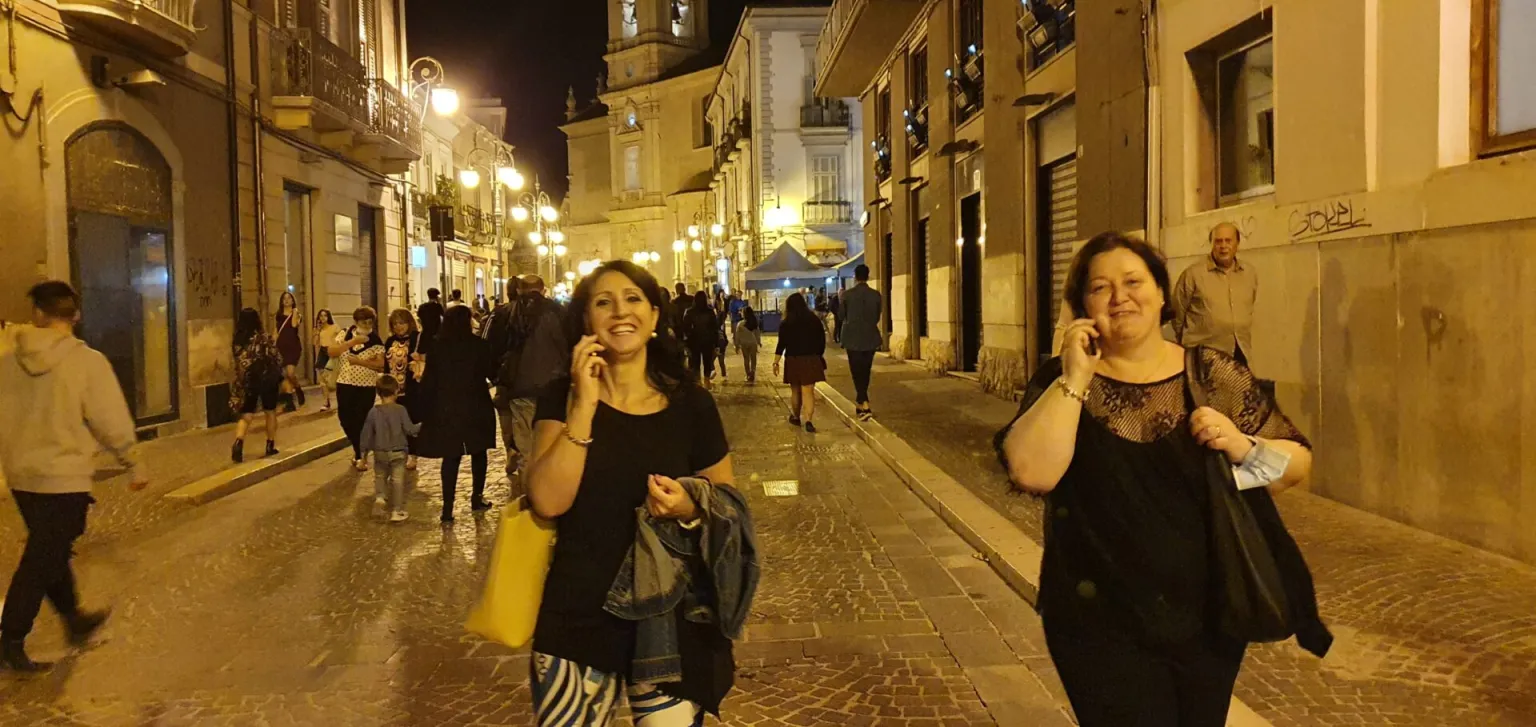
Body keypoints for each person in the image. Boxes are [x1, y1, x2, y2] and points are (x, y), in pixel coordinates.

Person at [992, 232, 1321, 726]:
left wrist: (1241, 444)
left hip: (1208, 616)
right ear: (1082, 305)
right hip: (1097, 622)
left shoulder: (1211, 373)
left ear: (1162, 293)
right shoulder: (1059, 381)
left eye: (1132, 281)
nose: (1119, 296)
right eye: (1100, 287)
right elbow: (1032, 472)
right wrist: (1076, 378)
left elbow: (1295, 466)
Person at [525, 260, 754, 724]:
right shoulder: (561, 398)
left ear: (653, 317)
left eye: (632, 300)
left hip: (672, 620)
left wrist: (689, 503)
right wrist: (584, 407)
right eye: (603, 302)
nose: (619, 312)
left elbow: (726, 500)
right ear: (586, 320)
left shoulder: (692, 404)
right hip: (578, 615)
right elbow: (548, 501)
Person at [0, 281, 145, 672]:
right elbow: (109, 418)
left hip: (21, 473)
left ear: (39, 314)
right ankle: (10, 637)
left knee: (49, 548)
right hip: (63, 475)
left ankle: (74, 618)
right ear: (75, 315)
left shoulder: (8, 356)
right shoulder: (86, 361)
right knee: (43, 556)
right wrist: (133, 461)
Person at [416, 305, 497, 523]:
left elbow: (430, 380)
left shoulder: (437, 346)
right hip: (476, 405)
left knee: (451, 457)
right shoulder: (479, 346)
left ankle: (447, 508)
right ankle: (476, 497)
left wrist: (423, 407)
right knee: (479, 453)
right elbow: (491, 372)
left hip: (447, 407)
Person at [485, 274, 569, 481]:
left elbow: (489, 347)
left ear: (518, 290)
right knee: (555, 442)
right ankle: (551, 493)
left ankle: (529, 495)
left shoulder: (504, 313)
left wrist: (498, 376)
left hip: (520, 387)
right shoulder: (559, 313)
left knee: (525, 446)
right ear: (543, 290)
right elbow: (569, 346)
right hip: (554, 388)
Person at [1173, 222, 1258, 366]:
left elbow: (1250, 306)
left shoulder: (1249, 274)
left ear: (1237, 244)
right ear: (1212, 244)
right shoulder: (1193, 274)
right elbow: (1177, 315)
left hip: (1240, 354)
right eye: (1218, 241)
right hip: (1203, 360)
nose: (1223, 246)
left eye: (1228, 241)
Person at [327, 307, 386, 471]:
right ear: (356, 322)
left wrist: (361, 362)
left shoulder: (375, 340)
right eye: (363, 322)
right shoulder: (345, 333)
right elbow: (332, 351)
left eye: (369, 322)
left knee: (361, 420)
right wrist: (352, 343)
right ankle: (358, 449)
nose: (367, 325)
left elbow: (381, 365)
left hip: (366, 386)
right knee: (345, 419)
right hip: (344, 383)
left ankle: (362, 455)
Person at [360, 374, 421, 524]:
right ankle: (397, 510)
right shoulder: (400, 410)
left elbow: (366, 435)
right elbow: (410, 430)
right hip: (398, 452)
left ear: (378, 393)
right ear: (396, 391)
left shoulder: (373, 412)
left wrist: (363, 457)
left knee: (380, 477)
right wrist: (422, 425)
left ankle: (380, 499)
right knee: (397, 480)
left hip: (380, 452)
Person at [229, 308, 284, 463]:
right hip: (267, 379)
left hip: (249, 379)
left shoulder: (237, 340)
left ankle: (239, 442)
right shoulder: (263, 337)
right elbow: (277, 356)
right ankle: (270, 445)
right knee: (270, 412)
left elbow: (238, 362)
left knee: (246, 414)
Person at [772, 293, 826, 433]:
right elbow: (822, 340)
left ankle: (796, 416)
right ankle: (809, 420)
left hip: (793, 359)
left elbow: (781, 344)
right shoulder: (814, 319)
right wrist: (818, 355)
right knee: (808, 391)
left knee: (795, 390)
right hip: (810, 358)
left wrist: (776, 362)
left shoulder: (786, 322)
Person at [840, 264, 883, 421]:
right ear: (868, 276)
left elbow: (841, 315)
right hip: (870, 336)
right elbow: (877, 317)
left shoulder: (847, 295)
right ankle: (861, 402)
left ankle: (863, 402)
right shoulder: (876, 295)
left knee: (856, 370)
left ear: (855, 276)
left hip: (852, 337)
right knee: (865, 369)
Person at [383, 308, 425, 470]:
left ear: (409, 323)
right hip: (393, 388)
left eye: (402, 323)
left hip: (411, 388)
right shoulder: (390, 341)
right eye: (395, 324)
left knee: (411, 421)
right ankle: (401, 451)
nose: (399, 327)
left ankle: (413, 454)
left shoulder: (415, 339)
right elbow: (386, 364)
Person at [273, 291, 306, 411]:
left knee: (290, 373)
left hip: (293, 347)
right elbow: (275, 331)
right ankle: (290, 403)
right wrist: (273, 344)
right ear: (281, 301)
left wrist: (295, 311)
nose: (286, 300)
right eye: (284, 299)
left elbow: (293, 325)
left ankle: (298, 389)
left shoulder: (297, 314)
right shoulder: (278, 315)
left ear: (292, 301)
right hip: (281, 347)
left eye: (289, 298)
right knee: (285, 375)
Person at [682, 291, 718, 385]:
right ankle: (706, 380)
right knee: (707, 360)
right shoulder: (710, 311)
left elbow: (685, 328)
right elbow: (714, 328)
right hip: (707, 340)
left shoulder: (689, 312)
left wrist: (687, 340)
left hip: (694, 340)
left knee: (695, 361)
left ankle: (698, 381)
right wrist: (716, 342)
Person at [313, 309, 340, 410]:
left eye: (325, 315)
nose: (323, 318)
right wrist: (317, 331)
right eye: (321, 316)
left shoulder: (335, 327)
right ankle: (326, 401)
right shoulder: (318, 329)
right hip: (323, 351)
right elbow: (315, 343)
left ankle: (339, 399)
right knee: (322, 376)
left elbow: (341, 338)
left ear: (328, 317)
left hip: (332, 351)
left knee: (334, 377)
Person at [735, 307, 761, 384]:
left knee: (746, 359)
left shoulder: (740, 324)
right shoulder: (754, 323)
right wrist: (759, 342)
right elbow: (757, 334)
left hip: (744, 344)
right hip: (753, 343)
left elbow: (737, 336)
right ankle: (753, 371)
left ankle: (748, 374)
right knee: (753, 359)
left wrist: (737, 345)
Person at [417, 288, 445, 355]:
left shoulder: (422, 306)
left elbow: (419, 318)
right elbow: (444, 315)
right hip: (435, 333)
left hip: (425, 333)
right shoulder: (438, 306)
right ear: (437, 296)